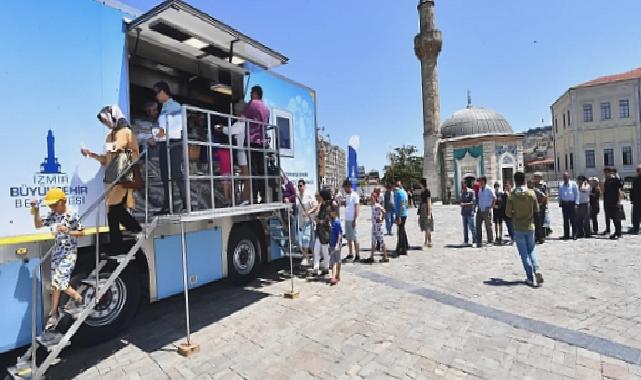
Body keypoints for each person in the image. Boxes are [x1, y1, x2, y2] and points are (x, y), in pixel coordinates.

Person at [82, 105, 142, 254]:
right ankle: (117, 247)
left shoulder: (127, 132)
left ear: (113, 116)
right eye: (103, 122)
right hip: (111, 178)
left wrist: (118, 150)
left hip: (122, 176)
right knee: (111, 213)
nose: (105, 123)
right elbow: (107, 159)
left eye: (106, 120)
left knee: (114, 210)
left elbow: (135, 153)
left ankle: (135, 227)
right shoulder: (109, 136)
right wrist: (92, 154)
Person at [31, 188, 85, 330]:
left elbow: (82, 232)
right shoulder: (53, 214)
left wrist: (67, 231)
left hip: (69, 253)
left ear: (62, 201)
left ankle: (77, 296)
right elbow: (38, 225)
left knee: (58, 281)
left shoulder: (71, 214)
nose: (52, 208)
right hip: (57, 252)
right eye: (50, 205)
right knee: (56, 284)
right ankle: (53, 314)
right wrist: (36, 210)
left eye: (54, 205)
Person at [153, 81, 187, 213]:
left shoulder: (175, 106)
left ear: (162, 92)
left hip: (174, 144)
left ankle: (186, 204)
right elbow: (163, 130)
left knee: (176, 174)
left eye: (157, 93)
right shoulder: (164, 108)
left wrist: (164, 133)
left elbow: (178, 128)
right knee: (164, 175)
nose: (156, 96)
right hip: (164, 144)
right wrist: (155, 137)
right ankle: (168, 205)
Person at [505, 172, 543, 287]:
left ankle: (530, 278)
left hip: (518, 227)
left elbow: (507, 213)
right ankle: (537, 269)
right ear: (524, 180)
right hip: (530, 227)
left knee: (524, 253)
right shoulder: (531, 194)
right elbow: (537, 211)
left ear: (515, 181)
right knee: (532, 249)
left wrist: (514, 212)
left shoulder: (512, 195)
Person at [244, 85, 270, 203]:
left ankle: (254, 197)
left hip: (252, 140)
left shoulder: (252, 104)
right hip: (262, 142)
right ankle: (263, 196)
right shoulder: (266, 108)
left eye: (251, 92)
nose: (250, 94)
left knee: (253, 170)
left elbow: (242, 116)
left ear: (255, 93)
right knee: (261, 170)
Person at [296, 180, 317, 266]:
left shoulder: (309, 195)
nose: (300, 187)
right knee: (309, 241)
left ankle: (306, 258)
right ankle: (314, 258)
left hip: (309, 220)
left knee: (306, 239)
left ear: (304, 186)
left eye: (301, 186)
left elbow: (315, 206)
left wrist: (308, 212)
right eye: (298, 186)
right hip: (301, 221)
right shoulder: (298, 196)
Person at [366, 189, 389, 263]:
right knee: (373, 241)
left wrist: (382, 219)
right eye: (371, 197)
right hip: (374, 226)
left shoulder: (377, 205)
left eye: (372, 197)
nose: (371, 198)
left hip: (378, 226)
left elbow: (384, 211)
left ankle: (385, 257)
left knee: (381, 241)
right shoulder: (372, 206)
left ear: (375, 198)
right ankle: (371, 256)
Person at [313, 190, 332, 275]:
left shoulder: (328, 207)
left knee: (325, 250)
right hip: (319, 231)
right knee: (316, 250)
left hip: (325, 232)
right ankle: (316, 268)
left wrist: (319, 221)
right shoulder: (322, 205)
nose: (318, 197)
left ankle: (326, 267)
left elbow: (328, 220)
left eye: (320, 196)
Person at [342, 179, 361, 262]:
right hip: (347, 219)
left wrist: (354, 220)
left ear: (348, 187)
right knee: (349, 238)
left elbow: (357, 208)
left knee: (355, 238)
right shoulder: (347, 195)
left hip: (352, 220)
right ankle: (350, 253)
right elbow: (347, 206)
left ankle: (357, 255)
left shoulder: (355, 195)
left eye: (345, 188)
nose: (344, 190)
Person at [603, 167, 623, 239]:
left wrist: (619, 201)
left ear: (609, 172)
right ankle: (616, 232)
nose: (604, 174)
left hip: (615, 202)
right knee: (613, 218)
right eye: (604, 173)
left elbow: (620, 190)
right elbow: (605, 192)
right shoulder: (606, 181)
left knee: (617, 218)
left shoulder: (615, 179)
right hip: (609, 202)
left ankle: (619, 233)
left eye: (605, 172)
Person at [557, 171, 578, 240]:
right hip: (564, 204)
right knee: (565, 220)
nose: (565, 178)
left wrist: (576, 203)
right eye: (564, 177)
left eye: (566, 177)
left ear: (569, 177)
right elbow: (559, 194)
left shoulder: (573, 184)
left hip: (572, 204)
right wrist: (559, 202)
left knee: (573, 220)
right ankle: (566, 235)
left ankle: (574, 234)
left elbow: (577, 194)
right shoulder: (561, 185)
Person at [475, 176, 495, 246]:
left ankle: (490, 240)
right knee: (478, 225)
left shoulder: (489, 189)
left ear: (483, 181)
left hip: (486, 209)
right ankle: (479, 240)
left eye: (480, 181)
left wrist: (491, 207)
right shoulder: (480, 190)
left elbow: (494, 198)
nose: (479, 183)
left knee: (488, 226)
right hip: (480, 209)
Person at [460, 180, 478, 247]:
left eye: (463, 184)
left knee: (472, 227)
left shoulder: (471, 192)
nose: (462, 185)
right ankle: (466, 241)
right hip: (464, 212)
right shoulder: (462, 192)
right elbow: (461, 201)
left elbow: (473, 202)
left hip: (470, 212)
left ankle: (474, 241)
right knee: (465, 228)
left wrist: (464, 204)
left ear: (466, 184)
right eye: (461, 184)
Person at [329, 206, 343, 285]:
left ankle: (337, 275)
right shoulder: (331, 221)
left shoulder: (337, 222)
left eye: (331, 212)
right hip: (331, 244)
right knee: (333, 261)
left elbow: (339, 235)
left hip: (336, 244)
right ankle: (333, 277)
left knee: (337, 260)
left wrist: (337, 244)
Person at [394, 180, 409, 255]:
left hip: (401, 214)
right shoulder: (403, 192)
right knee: (402, 230)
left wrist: (399, 216)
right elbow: (406, 204)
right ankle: (405, 246)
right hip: (403, 213)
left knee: (400, 232)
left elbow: (401, 205)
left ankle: (401, 248)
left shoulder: (399, 193)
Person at [532, 173, 548, 244]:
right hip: (534, 206)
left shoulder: (543, 185)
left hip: (541, 205)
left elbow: (546, 196)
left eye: (537, 177)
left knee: (541, 222)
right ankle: (536, 237)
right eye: (535, 177)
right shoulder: (533, 185)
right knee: (535, 222)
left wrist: (545, 204)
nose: (536, 178)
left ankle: (541, 237)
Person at [418, 178, 433, 248]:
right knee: (425, 226)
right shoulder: (422, 192)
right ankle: (426, 241)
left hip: (426, 208)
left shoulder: (427, 191)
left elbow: (429, 202)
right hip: (422, 209)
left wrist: (429, 213)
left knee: (428, 226)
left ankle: (429, 241)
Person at [629, 165, 641, 234]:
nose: (638, 171)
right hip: (636, 200)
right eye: (637, 170)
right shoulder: (635, 179)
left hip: (637, 199)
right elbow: (632, 190)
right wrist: (632, 198)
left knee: (636, 214)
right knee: (636, 214)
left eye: (639, 170)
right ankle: (636, 227)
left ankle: (636, 227)